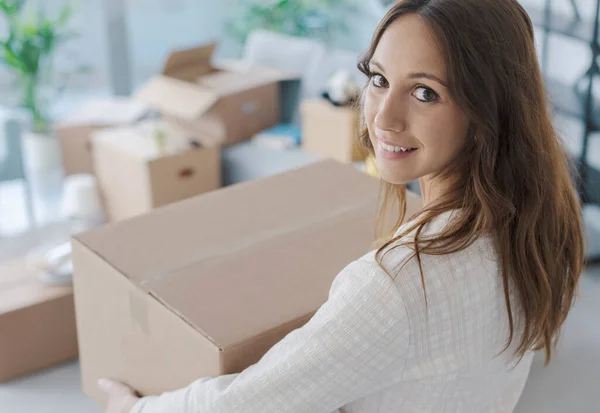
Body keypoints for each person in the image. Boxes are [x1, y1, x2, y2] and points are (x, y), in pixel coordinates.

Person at [98, 0, 585, 412]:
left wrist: (135, 407)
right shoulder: (539, 220)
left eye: (424, 92)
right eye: (377, 79)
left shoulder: (398, 285)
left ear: (489, 108)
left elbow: (245, 403)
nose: (383, 118)